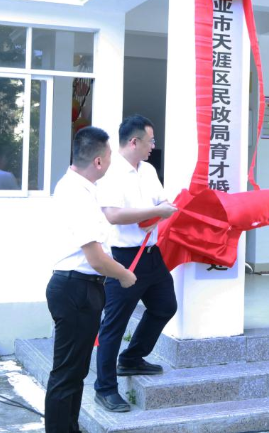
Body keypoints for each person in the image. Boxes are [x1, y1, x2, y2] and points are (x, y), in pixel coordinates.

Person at [45, 126, 137, 433]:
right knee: (67, 372)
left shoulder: (83, 189)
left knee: (75, 370)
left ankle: (70, 427)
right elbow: (96, 258)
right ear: (98, 161)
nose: (111, 160)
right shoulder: (76, 193)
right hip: (75, 288)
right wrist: (125, 275)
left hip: (83, 288)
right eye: (110, 155)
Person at [93, 115, 178, 413]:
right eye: (150, 141)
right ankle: (104, 388)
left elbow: (161, 203)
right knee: (114, 324)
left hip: (151, 254)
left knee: (165, 305)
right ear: (133, 141)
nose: (153, 147)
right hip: (124, 257)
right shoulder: (111, 173)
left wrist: (155, 213)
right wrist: (153, 212)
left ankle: (131, 359)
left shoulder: (149, 170)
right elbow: (113, 214)